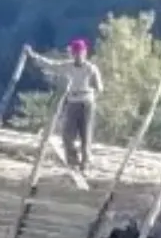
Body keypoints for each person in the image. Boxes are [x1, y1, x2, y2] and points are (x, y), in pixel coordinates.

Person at [29, 38, 104, 172]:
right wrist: (33, 55)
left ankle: (85, 164)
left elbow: (99, 88)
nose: (77, 56)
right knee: (67, 135)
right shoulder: (67, 66)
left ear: (85, 53)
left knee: (86, 135)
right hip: (72, 102)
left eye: (80, 53)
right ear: (72, 54)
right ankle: (73, 161)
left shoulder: (91, 69)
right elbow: (51, 65)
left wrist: (90, 94)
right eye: (75, 53)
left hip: (86, 103)